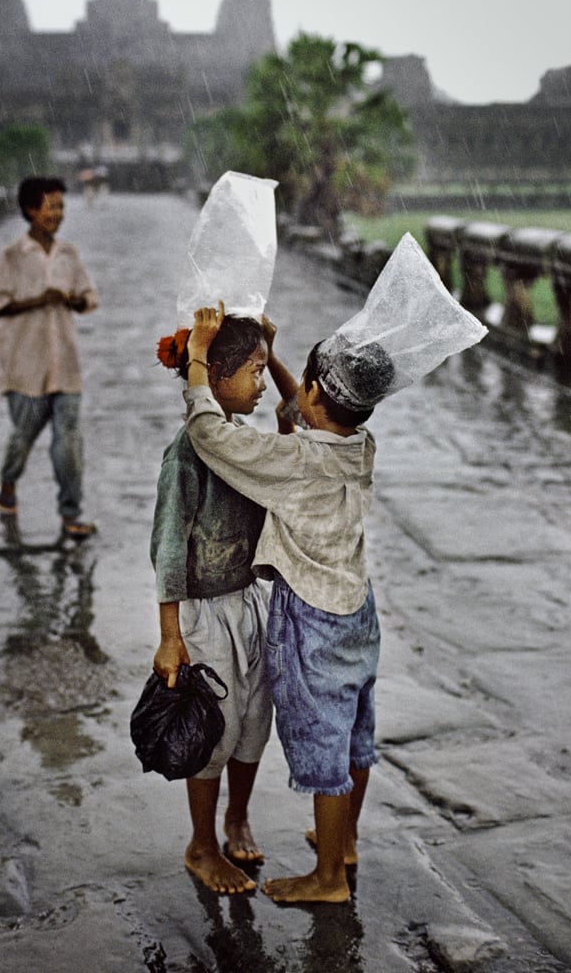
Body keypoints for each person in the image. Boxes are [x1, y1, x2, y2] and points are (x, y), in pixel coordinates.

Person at [182, 303, 388, 905]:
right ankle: (343, 841)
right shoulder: (360, 444)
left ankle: (328, 880)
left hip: (314, 620)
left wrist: (199, 355)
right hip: (357, 609)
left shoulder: (298, 460)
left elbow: (209, 433)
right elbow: (313, 408)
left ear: (318, 390)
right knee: (355, 733)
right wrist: (271, 356)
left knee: (324, 746)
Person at [150, 314, 278, 895]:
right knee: (212, 729)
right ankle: (201, 844)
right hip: (204, 612)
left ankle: (237, 816)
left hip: (250, 600)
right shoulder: (187, 453)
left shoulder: (242, 441)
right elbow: (169, 550)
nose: (263, 385)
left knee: (254, 723)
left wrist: (268, 345)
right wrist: (170, 635)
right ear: (216, 375)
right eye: (254, 372)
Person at [0, 175, 98, 537]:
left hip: (65, 366)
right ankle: (8, 483)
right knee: (22, 438)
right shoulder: (11, 256)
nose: (58, 214)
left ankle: (71, 514)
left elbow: (87, 299)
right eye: (52, 206)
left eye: (61, 206)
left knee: (68, 443)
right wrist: (40, 299)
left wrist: (68, 299)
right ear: (31, 209)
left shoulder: (69, 254)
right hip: (25, 366)